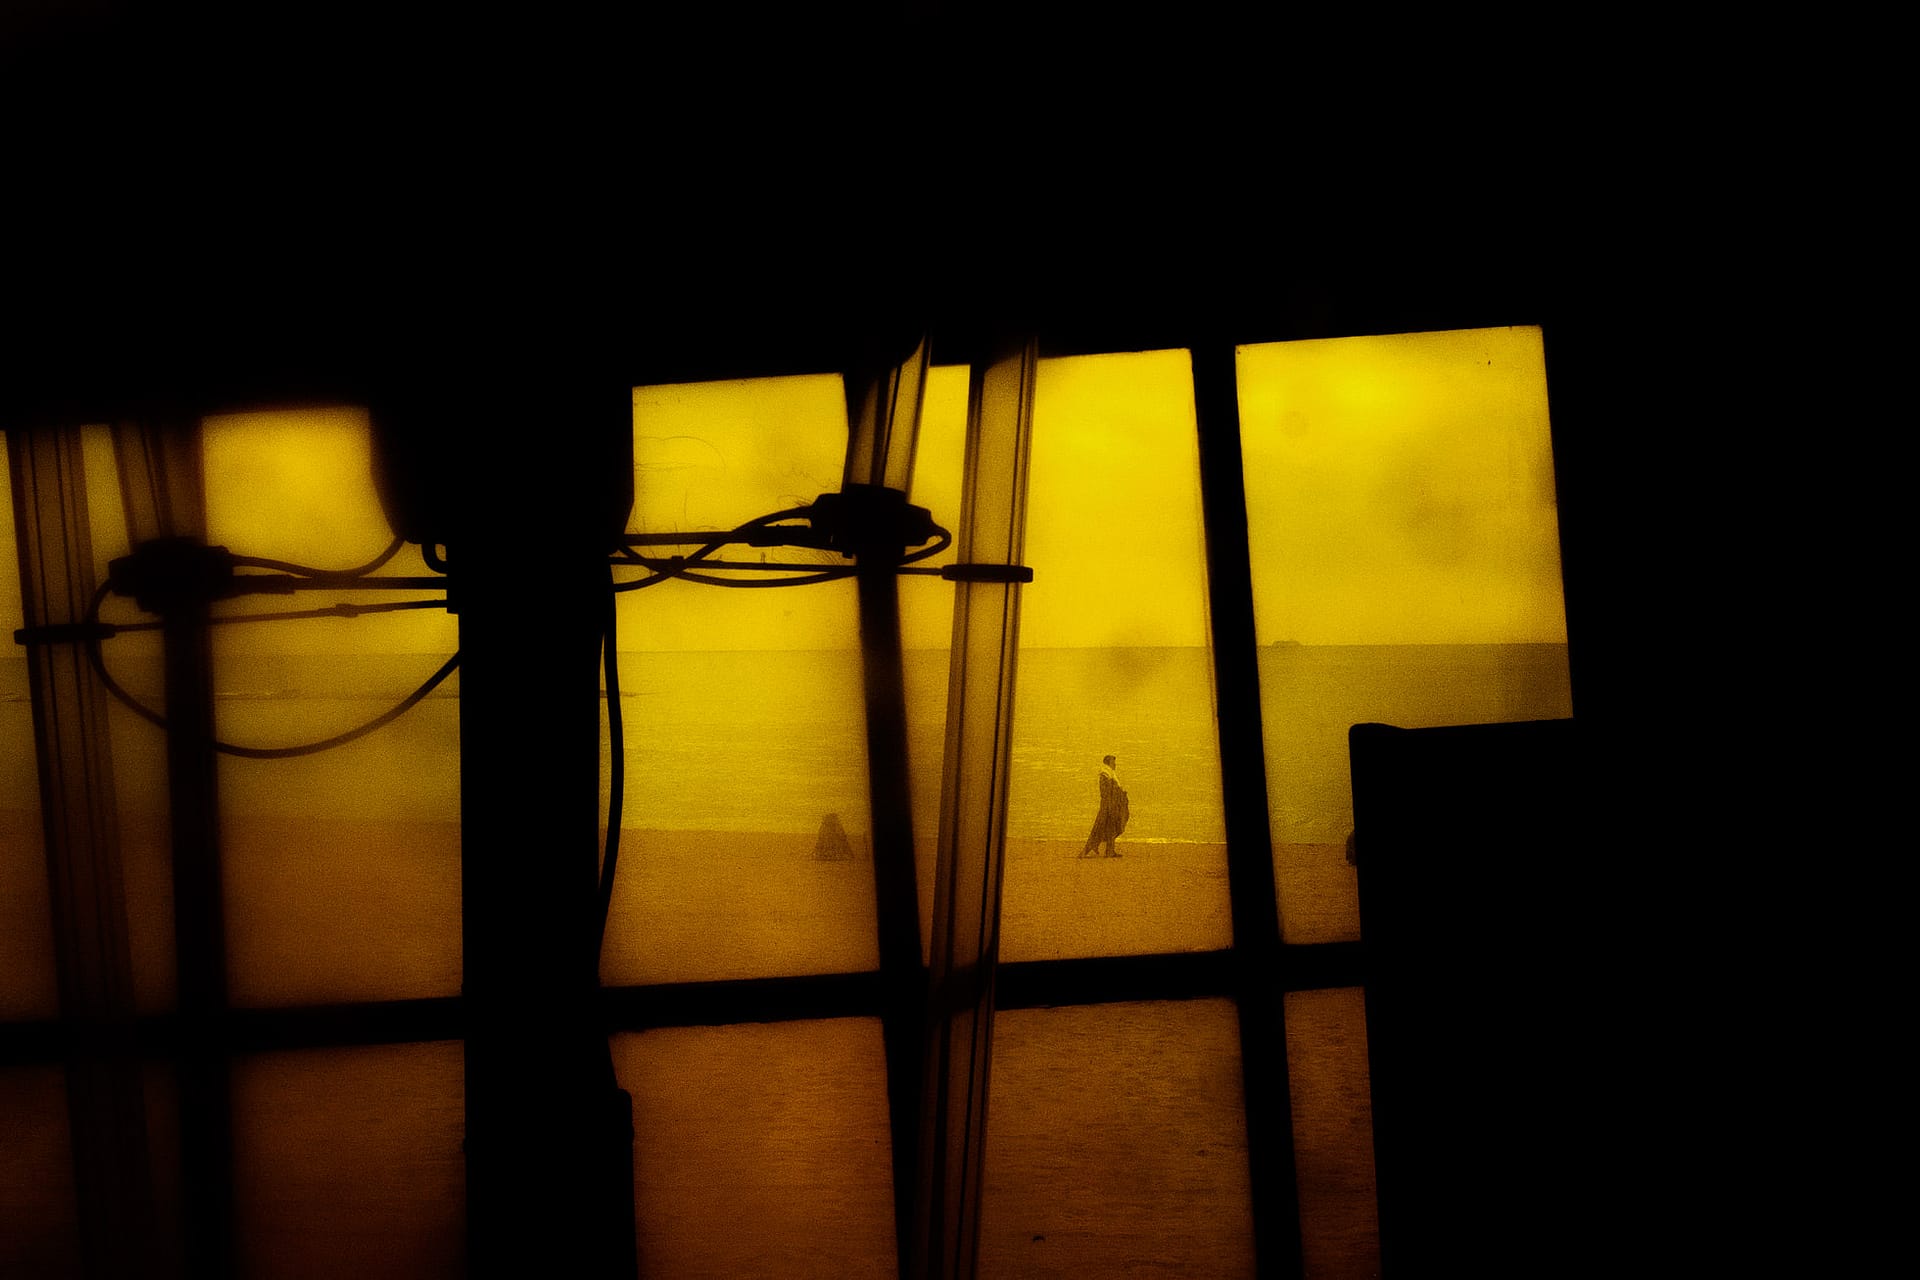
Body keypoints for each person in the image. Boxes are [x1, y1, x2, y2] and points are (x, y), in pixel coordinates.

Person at [1079, 754, 1129, 858]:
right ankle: (1085, 852)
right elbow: (1106, 792)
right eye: (1113, 762)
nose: (1115, 764)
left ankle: (1110, 851)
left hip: (1111, 806)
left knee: (1111, 828)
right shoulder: (1105, 775)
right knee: (1099, 828)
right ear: (1108, 763)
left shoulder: (1110, 774)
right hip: (1108, 807)